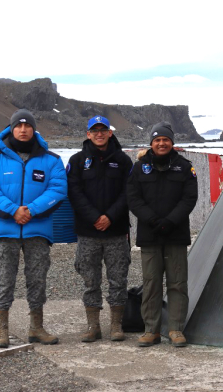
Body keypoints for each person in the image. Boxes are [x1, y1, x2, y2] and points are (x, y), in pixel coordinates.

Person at [0, 109, 67, 348]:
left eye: (28, 126)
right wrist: (13, 210)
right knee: (3, 280)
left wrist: (31, 210)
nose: (23, 130)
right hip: (4, 231)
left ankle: (36, 327)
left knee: (37, 280)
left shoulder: (52, 160)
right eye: (19, 125)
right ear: (11, 128)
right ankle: (1, 330)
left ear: (34, 130)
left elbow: (58, 190)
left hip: (38, 231)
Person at [127, 122, 198, 348]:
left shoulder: (185, 167)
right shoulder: (139, 168)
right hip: (150, 234)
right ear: (151, 143)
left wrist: (170, 221)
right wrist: (154, 220)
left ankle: (176, 329)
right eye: (157, 140)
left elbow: (189, 198)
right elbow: (133, 198)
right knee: (151, 283)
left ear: (172, 143)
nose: (161, 143)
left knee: (177, 283)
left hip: (176, 234)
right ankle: (151, 330)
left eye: (165, 140)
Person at [67, 116, 133, 343]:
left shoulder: (124, 161)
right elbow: (74, 193)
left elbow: (129, 193)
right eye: (94, 130)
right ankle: (92, 326)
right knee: (89, 280)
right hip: (88, 232)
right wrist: (95, 217)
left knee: (118, 279)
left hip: (116, 231)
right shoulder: (76, 161)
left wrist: (110, 217)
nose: (99, 134)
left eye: (103, 130)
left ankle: (116, 325)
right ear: (88, 134)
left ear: (110, 133)